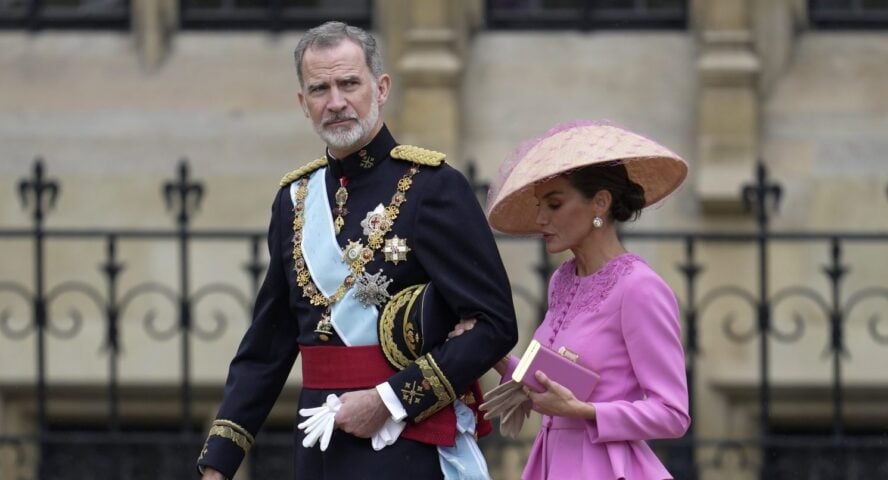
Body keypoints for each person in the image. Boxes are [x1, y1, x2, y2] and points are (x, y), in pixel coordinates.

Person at [197, 21, 517, 480]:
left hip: (407, 446)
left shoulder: (433, 187)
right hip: (320, 452)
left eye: (349, 83)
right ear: (303, 103)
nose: (336, 102)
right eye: (320, 89)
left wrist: (388, 400)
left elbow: (495, 324)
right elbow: (269, 344)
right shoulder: (295, 199)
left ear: (381, 88)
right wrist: (218, 463)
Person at [479, 120, 691, 479]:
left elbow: (673, 414)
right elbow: (557, 380)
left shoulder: (639, 288)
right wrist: (496, 357)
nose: (540, 218)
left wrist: (587, 412)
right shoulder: (562, 280)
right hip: (550, 462)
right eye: (539, 205)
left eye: (555, 204)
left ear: (601, 203)